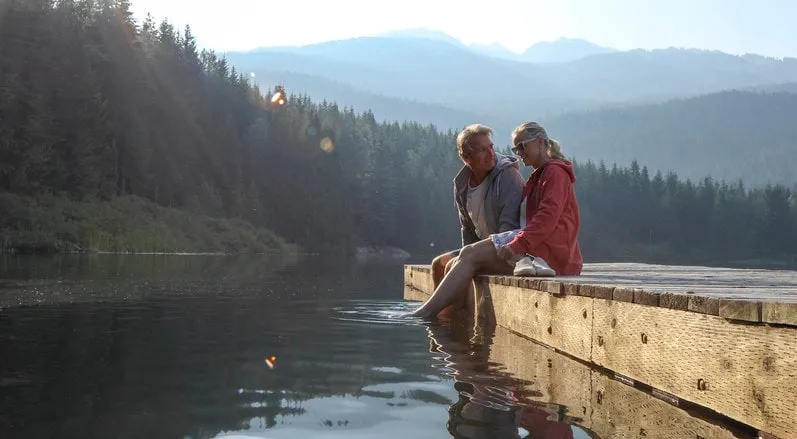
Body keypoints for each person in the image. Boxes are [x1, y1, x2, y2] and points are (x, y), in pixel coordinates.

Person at [406, 121, 583, 319]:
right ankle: (447, 322)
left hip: (552, 257)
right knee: (458, 258)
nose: (518, 152)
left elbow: (546, 220)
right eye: (515, 148)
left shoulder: (554, 173)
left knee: (469, 255)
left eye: (522, 146)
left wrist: (516, 245)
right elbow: (470, 227)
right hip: (537, 250)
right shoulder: (540, 175)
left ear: (541, 143)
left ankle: (428, 314)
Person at [431, 124, 525, 293]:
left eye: (491, 147)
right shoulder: (461, 184)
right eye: (482, 150)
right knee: (439, 264)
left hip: (509, 252)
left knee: (453, 266)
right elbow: (467, 228)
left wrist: (474, 259)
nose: (491, 154)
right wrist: (469, 255)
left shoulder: (507, 176)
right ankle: (444, 318)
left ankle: (453, 315)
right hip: (481, 249)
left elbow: (509, 228)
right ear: (466, 158)